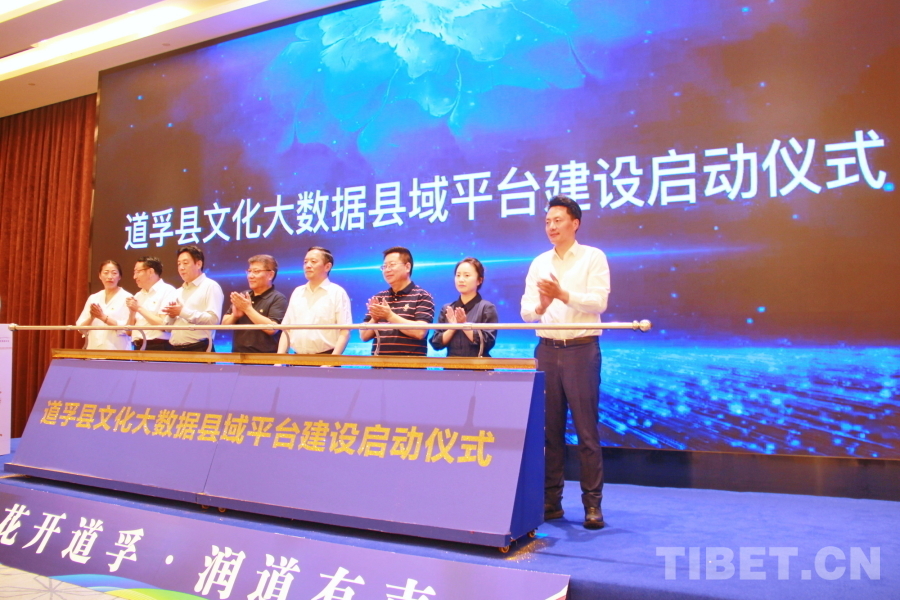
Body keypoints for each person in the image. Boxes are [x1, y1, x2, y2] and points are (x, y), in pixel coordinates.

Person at [520, 195, 611, 530]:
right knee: (550, 431)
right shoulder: (539, 263)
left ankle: (592, 504)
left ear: (575, 223)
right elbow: (527, 312)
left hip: (581, 350)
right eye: (547, 222)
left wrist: (563, 295)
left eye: (558, 220)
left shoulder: (592, 257)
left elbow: (598, 302)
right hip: (546, 350)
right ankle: (551, 501)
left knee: (586, 431)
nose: (551, 227)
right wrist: (543, 305)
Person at [277, 247, 352, 355]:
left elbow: (344, 332)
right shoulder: (298, 292)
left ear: (327, 267)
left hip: (326, 357)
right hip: (297, 357)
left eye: (313, 261)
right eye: (305, 262)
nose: (307, 265)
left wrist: (332, 361)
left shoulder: (337, 292)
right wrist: (279, 359)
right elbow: (286, 329)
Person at [360, 247, 434, 356]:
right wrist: (375, 319)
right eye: (384, 266)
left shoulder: (422, 296)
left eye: (392, 265)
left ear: (407, 267)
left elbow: (420, 332)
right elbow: (364, 336)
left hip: (410, 365)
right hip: (379, 364)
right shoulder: (379, 298)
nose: (387, 270)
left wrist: (389, 316)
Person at [430, 257, 498, 357]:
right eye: (458, 275)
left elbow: (488, 343)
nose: (461, 279)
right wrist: (453, 328)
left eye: (467, 275)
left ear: (479, 280)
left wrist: (464, 326)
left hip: (478, 365)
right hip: (452, 365)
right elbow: (436, 343)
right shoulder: (447, 309)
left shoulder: (487, 308)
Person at [162, 245, 224, 352]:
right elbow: (167, 329)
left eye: (185, 263)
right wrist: (171, 316)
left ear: (199, 264)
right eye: (179, 264)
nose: (181, 267)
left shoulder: (211, 286)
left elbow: (213, 320)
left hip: (199, 348)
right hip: (175, 349)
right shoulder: (178, 291)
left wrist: (182, 312)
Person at [223, 254, 288, 353]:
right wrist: (235, 316)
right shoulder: (244, 295)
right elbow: (224, 325)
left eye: (256, 271)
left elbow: (272, 329)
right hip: (238, 356)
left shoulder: (278, 298)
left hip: (264, 358)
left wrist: (248, 309)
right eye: (249, 271)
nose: (250, 276)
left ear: (270, 275)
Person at [76, 260, 133, 350]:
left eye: (114, 273)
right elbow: (81, 329)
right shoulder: (93, 298)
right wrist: (92, 317)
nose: (110, 277)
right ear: (100, 276)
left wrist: (103, 317)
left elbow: (128, 329)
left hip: (118, 350)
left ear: (119, 277)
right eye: (106, 273)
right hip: (94, 350)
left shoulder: (128, 297)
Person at [125, 256, 178, 350]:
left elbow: (164, 325)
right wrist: (132, 312)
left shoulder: (167, 291)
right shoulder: (138, 295)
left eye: (138, 272)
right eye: (134, 272)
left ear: (150, 272)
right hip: (137, 346)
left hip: (158, 347)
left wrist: (139, 309)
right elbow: (128, 332)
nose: (134, 277)